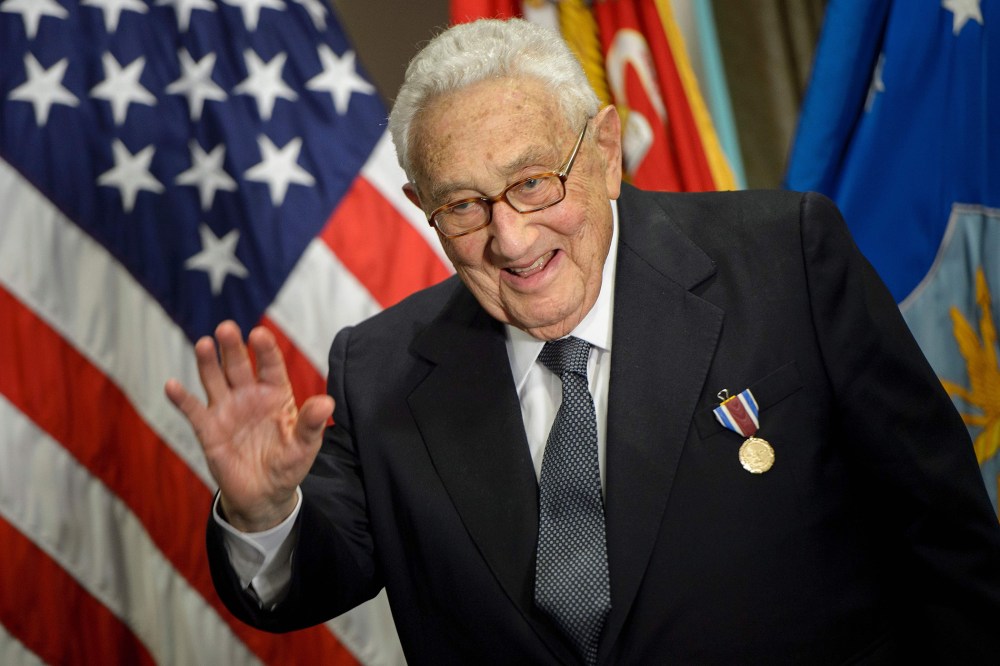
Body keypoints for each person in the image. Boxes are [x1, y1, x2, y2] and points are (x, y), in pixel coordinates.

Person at [165, 18, 1000, 665]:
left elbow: (951, 547)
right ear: (422, 204)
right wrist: (262, 513)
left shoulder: (787, 261)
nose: (512, 239)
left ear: (602, 150)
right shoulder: (379, 367)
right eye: (463, 206)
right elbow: (313, 575)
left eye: (533, 183)